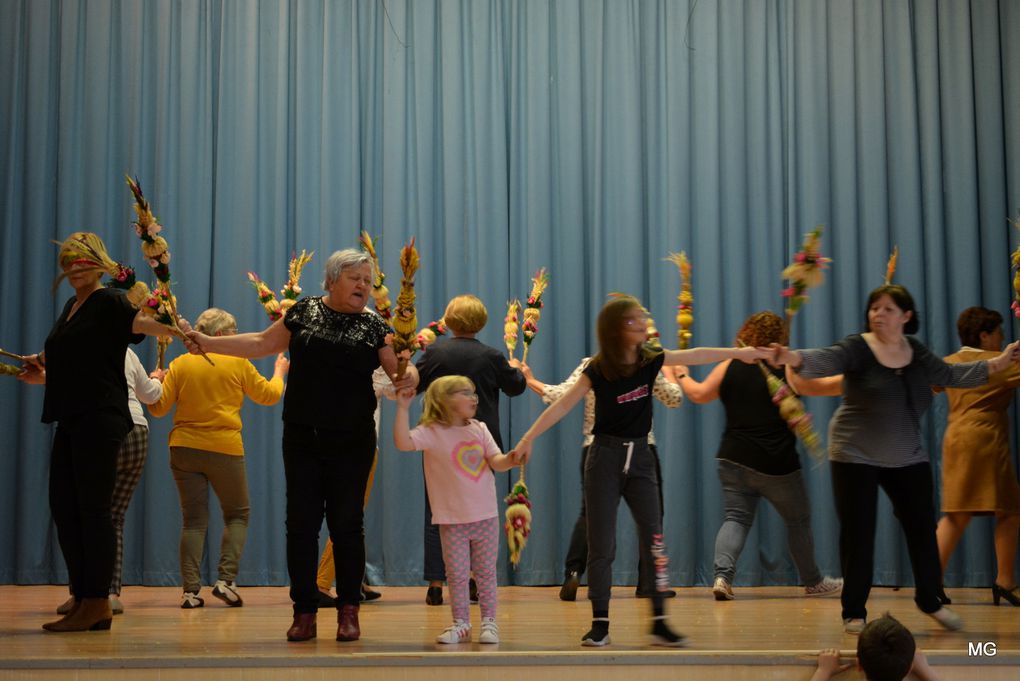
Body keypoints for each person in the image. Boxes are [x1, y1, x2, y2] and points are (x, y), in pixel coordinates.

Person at [183, 248, 417, 643]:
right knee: (301, 526)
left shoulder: (376, 326)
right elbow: (260, 343)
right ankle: (304, 610)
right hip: (303, 438)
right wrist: (207, 342)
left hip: (353, 441)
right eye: (354, 277)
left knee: (347, 526)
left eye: (366, 278)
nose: (362, 285)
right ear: (330, 280)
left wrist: (411, 377)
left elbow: (400, 375)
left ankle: (348, 611)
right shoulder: (304, 311)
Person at [512, 295, 771, 647]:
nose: (644, 324)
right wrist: (528, 437)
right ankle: (600, 623)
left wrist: (740, 354)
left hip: (642, 460)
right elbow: (563, 403)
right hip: (603, 458)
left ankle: (660, 622)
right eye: (636, 319)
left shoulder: (651, 359)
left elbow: (695, 355)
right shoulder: (598, 368)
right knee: (602, 545)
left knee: (655, 540)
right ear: (620, 329)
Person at [773, 284, 1020, 634]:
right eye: (874, 308)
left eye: (888, 308)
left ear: (906, 316)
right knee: (859, 533)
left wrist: (1000, 360)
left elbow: (951, 375)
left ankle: (930, 600)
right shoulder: (857, 348)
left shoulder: (917, 353)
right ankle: (854, 611)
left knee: (921, 528)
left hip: (905, 452)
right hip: (854, 452)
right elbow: (824, 358)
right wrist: (791, 357)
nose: (878, 314)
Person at [17, 232, 173, 632]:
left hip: (100, 419)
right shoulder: (73, 305)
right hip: (72, 416)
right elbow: (72, 358)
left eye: (81, 260)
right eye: (67, 260)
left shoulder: (109, 300)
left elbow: (146, 324)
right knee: (67, 509)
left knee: (93, 512)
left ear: (98, 264)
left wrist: (169, 321)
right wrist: (41, 370)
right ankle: (85, 597)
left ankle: (97, 602)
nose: (72, 267)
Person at [675, 311, 842, 600]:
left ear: (747, 332)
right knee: (798, 521)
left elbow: (698, 394)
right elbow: (821, 387)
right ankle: (813, 582)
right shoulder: (787, 369)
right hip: (777, 464)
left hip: (732, 458)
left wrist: (678, 372)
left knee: (736, 518)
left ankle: (721, 578)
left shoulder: (729, 364)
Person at [149, 308, 288, 609]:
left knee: (193, 521)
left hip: (183, 448)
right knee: (238, 514)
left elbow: (158, 408)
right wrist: (279, 372)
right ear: (223, 335)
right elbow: (269, 395)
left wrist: (155, 382)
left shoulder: (180, 363)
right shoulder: (238, 362)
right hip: (224, 448)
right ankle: (225, 581)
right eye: (234, 331)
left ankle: (189, 592)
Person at [519, 356, 682, 601]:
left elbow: (560, 395)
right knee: (651, 518)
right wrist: (673, 374)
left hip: (596, 449)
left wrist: (530, 380)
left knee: (591, 515)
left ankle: (573, 571)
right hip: (640, 449)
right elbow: (673, 398)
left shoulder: (592, 364)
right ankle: (650, 583)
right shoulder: (645, 363)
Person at [414, 294, 526, 605]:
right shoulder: (491, 355)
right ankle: (475, 580)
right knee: (479, 511)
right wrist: (516, 368)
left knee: (437, 509)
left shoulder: (435, 352)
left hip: (440, 442)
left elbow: (415, 382)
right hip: (481, 443)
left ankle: (436, 583)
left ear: (448, 321)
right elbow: (516, 386)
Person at [394, 376, 518, 644]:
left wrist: (510, 459)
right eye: (465, 393)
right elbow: (403, 443)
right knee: (457, 575)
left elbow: (496, 461)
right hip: (452, 520)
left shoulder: (480, 428)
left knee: (485, 573)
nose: (473, 397)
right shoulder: (431, 432)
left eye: (474, 392)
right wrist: (403, 408)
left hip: (485, 516)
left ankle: (489, 622)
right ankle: (461, 624)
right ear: (444, 400)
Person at [49, 348, 163, 616]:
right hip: (136, 431)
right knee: (114, 517)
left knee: (85, 515)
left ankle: (83, 594)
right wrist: (157, 378)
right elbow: (151, 395)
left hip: (99, 430)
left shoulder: (83, 345)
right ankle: (108, 594)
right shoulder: (128, 352)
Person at [935, 306, 1020, 606]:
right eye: (998, 332)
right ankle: (1005, 581)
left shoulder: (950, 362)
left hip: (955, 440)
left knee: (956, 515)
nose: (1002, 337)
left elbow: (927, 385)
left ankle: (931, 581)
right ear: (984, 335)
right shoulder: (999, 362)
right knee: (1009, 511)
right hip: (986, 442)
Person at [810, 614, 941, 681]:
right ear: (910, 668)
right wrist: (925, 670)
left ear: (859, 664)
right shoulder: (913, 668)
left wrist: (823, 672)